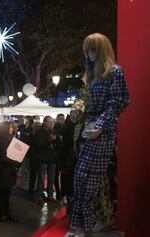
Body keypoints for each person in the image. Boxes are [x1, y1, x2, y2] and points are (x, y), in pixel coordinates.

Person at [65, 33, 129, 237]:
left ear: (101, 50)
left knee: (89, 182)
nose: (90, 54)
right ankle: (79, 225)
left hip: (102, 132)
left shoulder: (115, 72)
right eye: (87, 51)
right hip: (90, 129)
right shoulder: (91, 77)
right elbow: (84, 102)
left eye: (93, 50)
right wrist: (79, 113)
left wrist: (100, 127)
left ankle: (84, 225)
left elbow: (118, 102)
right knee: (80, 179)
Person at [0, 121, 21, 222]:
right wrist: (16, 162)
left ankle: (6, 213)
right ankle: (1, 214)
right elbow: (3, 157)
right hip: (5, 169)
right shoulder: (2, 140)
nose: (12, 128)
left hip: (9, 169)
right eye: (10, 127)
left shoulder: (9, 138)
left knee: (7, 193)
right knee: (3, 193)